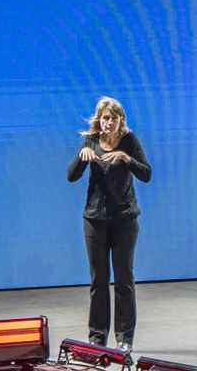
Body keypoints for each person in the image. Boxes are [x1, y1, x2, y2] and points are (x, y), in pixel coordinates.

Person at [66, 97, 152, 351]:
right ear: (99, 120)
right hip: (94, 220)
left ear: (120, 120)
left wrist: (127, 159)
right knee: (99, 280)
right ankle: (97, 336)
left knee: (124, 278)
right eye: (105, 118)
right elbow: (71, 176)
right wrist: (82, 157)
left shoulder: (130, 141)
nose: (109, 123)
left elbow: (146, 174)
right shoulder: (90, 140)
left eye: (113, 118)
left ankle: (125, 338)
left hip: (124, 219)